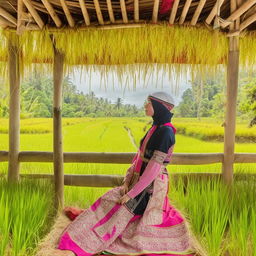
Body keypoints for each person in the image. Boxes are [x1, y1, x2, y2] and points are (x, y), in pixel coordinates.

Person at [58, 92, 197, 256]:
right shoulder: (155, 128)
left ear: (159, 107)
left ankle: (93, 238)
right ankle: (88, 230)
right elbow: (139, 158)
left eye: (149, 103)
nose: (145, 106)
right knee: (109, 198)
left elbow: (153, 169)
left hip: (151, 187)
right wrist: (126, 182)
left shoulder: (166, 132)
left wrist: (131, 194)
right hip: (138, 182)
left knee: (120, 208)